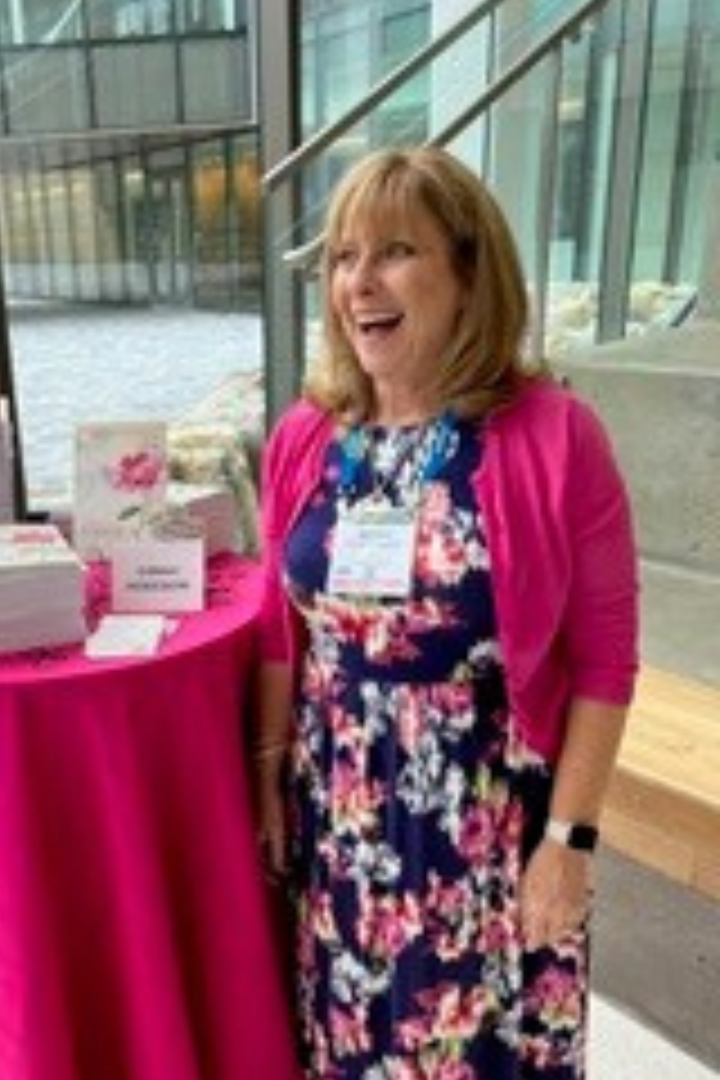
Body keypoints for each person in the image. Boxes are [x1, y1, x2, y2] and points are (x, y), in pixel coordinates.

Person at [255, 145, 638, 1079]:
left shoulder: (554, 435)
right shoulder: (308, 434)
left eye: (394, 252)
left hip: (488, 821)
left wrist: (570, 842)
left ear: (470, 272)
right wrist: (268, 774)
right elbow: (281, 630)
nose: (359, 283)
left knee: (483, 1052)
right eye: (344, 258)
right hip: (342, 813)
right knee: (351, 1050)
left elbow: (605, 661)